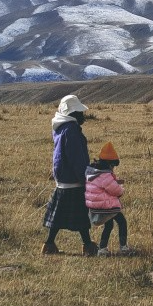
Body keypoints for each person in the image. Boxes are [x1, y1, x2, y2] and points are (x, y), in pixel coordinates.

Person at [42, 94, 98, 256]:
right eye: (79, 113)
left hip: (63, 177)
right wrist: (85, 177)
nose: (83, 117)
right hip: (73, 179)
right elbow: (76, 157)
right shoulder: (71, 130)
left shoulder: (60, 128)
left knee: (58, 215)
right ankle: (87, 245)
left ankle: (49, 244)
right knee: (81, 216)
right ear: (72, 114)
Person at [85, 141, 134, 256]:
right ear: (109, 164)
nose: (113, 169)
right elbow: (115, 191)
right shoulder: (105, 175)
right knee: (122, 222)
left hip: (94, 207)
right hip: (107, 207)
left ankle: (102, 249)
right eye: (113, 166)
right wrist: (121, 189)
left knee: (109, 225)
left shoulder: (91, 173)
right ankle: (124, 247)